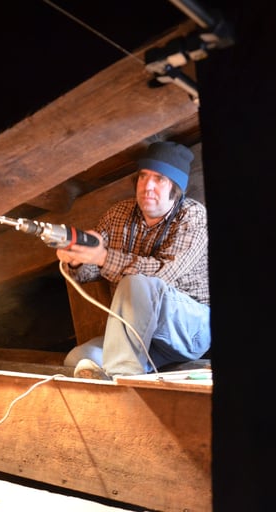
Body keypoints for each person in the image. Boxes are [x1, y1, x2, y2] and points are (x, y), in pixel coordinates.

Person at [57, 141, 210, 380]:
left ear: (176, 188)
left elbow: (161, 275)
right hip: (137, 333)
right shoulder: (118, 214)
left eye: (159, 178)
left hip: (188, 330)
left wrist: (104, 257)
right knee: (78, 359)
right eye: (143, 176)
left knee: (137, 283)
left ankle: (124, 381)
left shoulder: (193, 216)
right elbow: (90, 269)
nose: (147, 185)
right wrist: (77, 259)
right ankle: (129, 371)